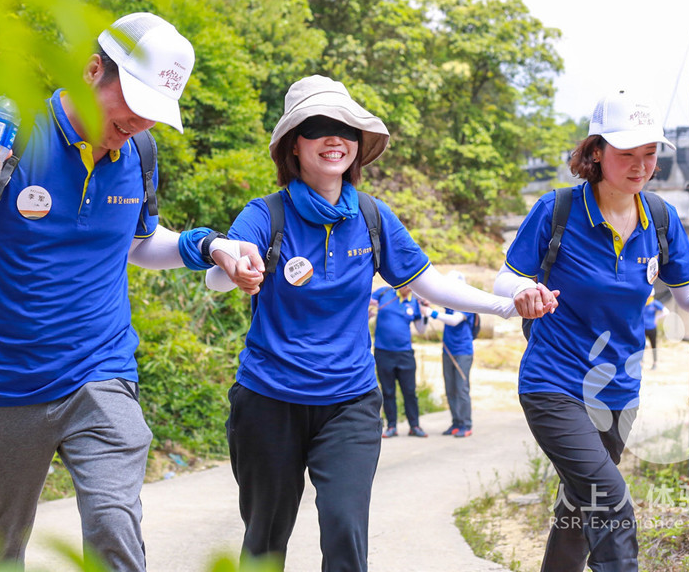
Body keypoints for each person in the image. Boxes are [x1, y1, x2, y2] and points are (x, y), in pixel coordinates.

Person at [0, 12, 262, 572]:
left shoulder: (139, 153)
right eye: (133, 103)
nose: (139, 122)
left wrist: (211, 246)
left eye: (154, 112)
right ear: (92, 71)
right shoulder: (10, 132)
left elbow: (137, 243)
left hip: (101, 370)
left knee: (113, 522)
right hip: (5, 381)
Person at [206, 75, 517, 572]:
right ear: (293, 144)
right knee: (264, 539)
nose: (335, 138)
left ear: (358, 143)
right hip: (269, 400)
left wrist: (505, 305)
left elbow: (430, 283)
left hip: (349, 401)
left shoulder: (373, 216)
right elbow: (223, 267)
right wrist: (235, 267)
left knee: (345, 530)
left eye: (346, 128)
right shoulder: (266, 214)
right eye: (318, 127)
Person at [492, 90, 689, 572]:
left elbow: (688, 296)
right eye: (627, 153)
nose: (641, 166)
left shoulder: (660, 219)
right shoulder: (557, 209)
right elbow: (506, 277)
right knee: (611, 504)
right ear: (596, 151)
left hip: (618, 393)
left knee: (579, 508)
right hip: (554, 384)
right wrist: (523, 291)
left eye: (649, 153)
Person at [368, 284, 429, 438]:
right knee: (388, 391)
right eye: (405, 284)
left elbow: (421, 329)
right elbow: (366, 303)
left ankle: (414, 426)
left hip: (405, 353)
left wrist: (426, 313)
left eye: (411, 285)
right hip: (383, 351)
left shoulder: (414, 301)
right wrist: (370, 310)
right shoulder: (384, 292)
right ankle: (391, 426)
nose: (407, 287)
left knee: (410, 391)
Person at [432, 271, 478, 438]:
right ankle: (456, 422)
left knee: (461, 388)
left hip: (463, 352)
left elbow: (454, 320)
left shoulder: (467, 303)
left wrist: (432, 313)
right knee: (450, 388)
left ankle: (466, 424)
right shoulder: (449, 302)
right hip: (448, 350)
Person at [642, 291, 669, 370]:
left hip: (652, 328)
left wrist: (657, 318)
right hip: (643, 328)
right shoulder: (642, 302)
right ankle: (641, 363)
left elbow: (666, 311)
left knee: (653, 346)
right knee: (641, 346)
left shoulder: (654, 303)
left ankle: (655, 363)